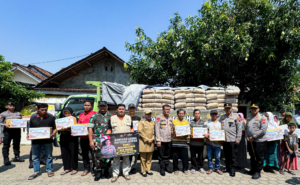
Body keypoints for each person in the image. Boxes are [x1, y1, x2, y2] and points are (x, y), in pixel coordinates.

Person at [27, 103, 57, 180]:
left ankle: (49, 170)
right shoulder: (33, 118)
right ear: (38, 109)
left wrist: (53, 134)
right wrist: (28, 135)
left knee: (49, 156)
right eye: (42, 110)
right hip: (35, 141)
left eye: (45, 110)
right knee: (35, 156)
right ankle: (36, 171)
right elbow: (30, 128)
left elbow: (55, 128)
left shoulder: (51, 117)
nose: (44, 111)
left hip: (47, 140)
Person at [106, 104, 133, 183]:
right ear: (117, 110)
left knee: (126, 158)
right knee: (116, 159)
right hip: (115, 143)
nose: (121, 110)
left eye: (123, 109)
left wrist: (132, 140)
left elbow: (131, 129)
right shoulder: (112, 118)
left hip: (126, 143)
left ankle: (126, 173)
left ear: (125, 110)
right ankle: (115, 174)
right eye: (120, 109)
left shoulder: (129, 118)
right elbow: (109, 130)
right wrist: (106, 140)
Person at [88, 101, 112, 181]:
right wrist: (91, 141)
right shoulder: (94, 116)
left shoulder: (111, 116)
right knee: (97, 157)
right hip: (97, 140)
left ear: (106, 107)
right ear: (98, 107)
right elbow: (90, 129)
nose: (102, 107)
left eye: (104, 106)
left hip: (108, 141)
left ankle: (106, 171)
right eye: (101, 106)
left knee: (108, 156)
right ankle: (98, 172)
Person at [245, 104, 268, 179]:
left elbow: (263, 130)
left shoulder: (262, 118)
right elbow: (246, 128)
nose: (253, 110)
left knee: (259, 156)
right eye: (252, 108)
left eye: (255, 108)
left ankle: (258, 172)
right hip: (250, 140)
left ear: (258, 109)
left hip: (259, 141)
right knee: (252, 155)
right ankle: (253, 169)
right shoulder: (249, 117)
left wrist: (254, 137)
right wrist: (246, 136)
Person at [218, 103, 242, 177]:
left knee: (233, 156)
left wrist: (238, 138)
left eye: (229, 108)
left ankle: (232, 169)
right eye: (226, 108)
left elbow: (239, 128)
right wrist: (220, 138)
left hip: (233, 139)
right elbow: (219, 128)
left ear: (231, 109)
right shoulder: (222, 117)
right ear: (224, 109)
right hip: (225, 140)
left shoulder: (236, 117)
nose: (228, 109)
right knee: (226, 155)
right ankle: (227, 167)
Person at [0, 101, 25, 165]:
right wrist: (4, 125)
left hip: (17, 131)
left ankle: (17, 157)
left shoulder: (18, 113)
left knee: (16, 144)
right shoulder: (3, 114)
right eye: (10, 106)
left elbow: (21, 121)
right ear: (6, 106)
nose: (12, 107)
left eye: (13, 105)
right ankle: (6, 159)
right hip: (7, 131)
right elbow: (0, 122)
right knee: (6, 145)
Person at [78, 100, 97, 176]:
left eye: (88, 105)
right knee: (84, 154)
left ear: (91, 106)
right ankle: (86, 169)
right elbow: (78, 126)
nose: (87, 106)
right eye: (85, 105)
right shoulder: (80, 115)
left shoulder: (95, 114)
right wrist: (75, 132)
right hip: (83, 138)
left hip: (93, 139)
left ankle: (95, 169)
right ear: (83, 106)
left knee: (94, 155)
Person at [59, 107, 79, 176]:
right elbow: (57, 128)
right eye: (65, 113)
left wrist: (67, 129)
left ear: (72, 113)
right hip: (63, 137)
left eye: (68, 113)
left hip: (72, 138)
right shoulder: (61, 119)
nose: (67, 114)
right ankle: (67, 168)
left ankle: (74, 168)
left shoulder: (75, 119)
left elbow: (77, 128)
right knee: (64, 153)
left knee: (73, 152)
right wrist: (60, 129)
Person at [155, 104, 173, 176]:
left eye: (168, 109)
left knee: (168, 155)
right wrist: (158, 140)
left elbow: (171, 128)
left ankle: (166, 167)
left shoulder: (170, 118)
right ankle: (162, 168)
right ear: (163, 110)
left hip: (169, 139)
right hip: (162, 140)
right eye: (166, 109)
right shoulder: (159, 118)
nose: (167, 111)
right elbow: (156, 129)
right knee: (161, 155)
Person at [204, 110, 223, 175]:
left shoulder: (220, 123)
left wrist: (222, 139)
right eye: (212, 114)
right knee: (209, 157)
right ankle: (210, 168)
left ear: (217, 115)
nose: (214, 115)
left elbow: (222, 133)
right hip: (209, 142)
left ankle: (217, 168)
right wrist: (206, 134)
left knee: (217, 157)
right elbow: (204, 131)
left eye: (215, 114)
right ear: (210, 115)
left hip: (217, 143)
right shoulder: (207, 123)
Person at [171, 108, 189, 175]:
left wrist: (186, 135)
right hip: (175, 143)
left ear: (184, 114)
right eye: (179, 113)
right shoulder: (174, 121)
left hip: (183, 143)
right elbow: (171, 130)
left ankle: (185, 168)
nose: (181, 115)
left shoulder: (186, 122)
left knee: (185, 157)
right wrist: (173, 133)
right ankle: (175, 169)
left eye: (182, 113)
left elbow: (188, 133)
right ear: (177, 114)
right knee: (175, 157)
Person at [28, 103, 46, 169]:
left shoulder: (47, 115)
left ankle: (43, 160)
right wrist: (28, 134)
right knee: (33, 149)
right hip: (35, 135)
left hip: (44, 135)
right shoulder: (33, 116)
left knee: (43, 148)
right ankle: (32, 162)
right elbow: (29, 126)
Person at [138, 110, 155, 177]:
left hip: (151, 142)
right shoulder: (141, 122)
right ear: (144, 115)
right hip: (143, 142)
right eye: (147, 114)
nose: (149, 115)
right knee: (143, 158)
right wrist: (147, 139)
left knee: (149, 158)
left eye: (150, 114)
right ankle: (143, 171)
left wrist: (153, 138)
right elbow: (140, 132)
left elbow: (155, 131)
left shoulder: (153, 122)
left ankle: (148, 169)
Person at [189, 109, 206, 174]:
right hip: (193, 142)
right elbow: (188, 130)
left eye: (198, 113)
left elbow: (206, 130)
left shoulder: (203, 122)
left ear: (200, 114)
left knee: (201, 156)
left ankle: (200, 167)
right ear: (193, 115)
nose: (197, 114)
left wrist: (206, 134)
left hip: (200, 142)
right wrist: (190, 134)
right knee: (193, 156)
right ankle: (193, 167)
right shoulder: (191, 122)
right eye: (195, 113)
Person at [128, 103, 141, 174]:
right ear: (128, 109)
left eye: (133, 108)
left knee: (135, 154)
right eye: (130, 108)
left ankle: (133, 167)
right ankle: (128, 167)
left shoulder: (138, 118)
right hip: (128, 139)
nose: (132, 109)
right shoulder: (126, 117)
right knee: (128, 154)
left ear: (135, 109)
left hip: (136, 139)